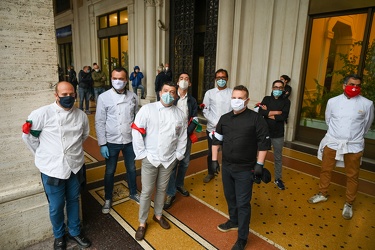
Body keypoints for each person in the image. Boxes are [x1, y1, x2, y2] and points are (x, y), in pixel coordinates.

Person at [22, 81, 91, 250]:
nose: (68, 97)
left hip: (74, 166)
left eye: (71, 94)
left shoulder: (81, 115)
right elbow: (29, 137)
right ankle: (59, 236)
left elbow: (84, 136)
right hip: (52, 169)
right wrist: (45, 155)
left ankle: (75, 231)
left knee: (74, 200)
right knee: (56, 205)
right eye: (64, 94)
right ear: (56, 95)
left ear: (75, 94)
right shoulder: (41, 114)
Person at [212, 85, 270, 250]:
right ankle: (233, 220)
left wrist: (259, 164)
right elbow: (217, 140)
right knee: (230, 197)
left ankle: (242, 238)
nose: (236, 101)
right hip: (227, 167)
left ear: (247, 100)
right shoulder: (224, 118)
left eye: (240, 98)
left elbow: (263, 143)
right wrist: (214, 160)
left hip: (246, 169)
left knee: (243, 203)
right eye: (234, 98)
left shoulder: (256, 119)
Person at [308, 74, 374, 220]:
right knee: (326, 169)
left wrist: (352, 137)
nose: (354, 87)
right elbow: (328, 120)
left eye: (357, 85)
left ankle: (349, 203)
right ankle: (322, 193)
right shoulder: (333, 102)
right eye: (352, 84)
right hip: (332, 142)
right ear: (344, 85)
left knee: (352, 175)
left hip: (353, 145)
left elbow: (367, 125)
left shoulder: (367, 104)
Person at [131, 81, 187, 241]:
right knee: (147, 191)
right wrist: (142, 154)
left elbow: (182, 136)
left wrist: (178, 155)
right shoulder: (148, 109)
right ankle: (142, 223)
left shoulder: (180, 114)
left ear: (176, 95)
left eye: (172, 92)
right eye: (166, 91)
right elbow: (136, 130)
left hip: (169, 159)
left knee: (162, 189)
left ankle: (158, 214)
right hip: (151, 158)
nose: (169, 94)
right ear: (160, 92)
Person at [95, 67, 140, 214]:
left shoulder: (133, 96)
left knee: (132, 168)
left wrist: (139, 138)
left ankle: (133, 192)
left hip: (129, 140)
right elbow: (99, 121)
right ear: (111, 79)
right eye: (115, 78)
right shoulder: (104, 97)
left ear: (126, 80)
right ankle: (108, 198)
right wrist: (102, 143)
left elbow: (137, 118)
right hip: (111, 141)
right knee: (110, 171)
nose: (118, 81)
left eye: (121, 79)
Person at [164, 72, 198, 209]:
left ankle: (179, 184)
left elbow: (195, 118)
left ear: (189, 83)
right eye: (181, 79)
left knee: (184, 162)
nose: (184, 81)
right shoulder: (171, 96)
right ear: (177, 82)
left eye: (187, 79)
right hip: (171, 136)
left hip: (186, 135)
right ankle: (170, 193)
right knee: (172, 165)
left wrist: (188, 131)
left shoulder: (192, 100)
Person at [202, 69, 233, 183]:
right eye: (218, 78)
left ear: (227, 79)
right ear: (215, 79)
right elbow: (205, 110)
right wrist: (215, 122)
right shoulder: (209, 93)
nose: (221, 80)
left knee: (228, 152)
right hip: (213, 127)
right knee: (211, 152)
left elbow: (234, 109)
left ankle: (227, 172)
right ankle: (211, 172)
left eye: (223, 77)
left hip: (228, 129)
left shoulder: (232, 93)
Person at [258, 80, 291, 190]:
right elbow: (260, 112)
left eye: (280, 88)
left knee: (278, 157)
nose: (278, 89)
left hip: (278, 134)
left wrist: (268, 113)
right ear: (272, 88)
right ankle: (257, 174)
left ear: (283, 89)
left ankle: (278, 179)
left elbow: (283, 117)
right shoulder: (266, 99)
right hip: (265, 132)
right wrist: (277, 112)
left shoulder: (286, 102)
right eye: (275, 87)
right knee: (260, 155)